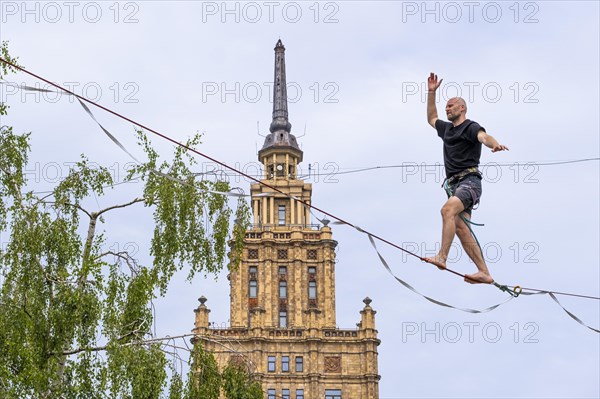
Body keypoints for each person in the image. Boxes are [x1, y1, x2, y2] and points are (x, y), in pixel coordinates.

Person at [424, 72, 509, 284]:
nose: (448, 108)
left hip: (469, 182)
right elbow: (431, 118)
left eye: (451, 105)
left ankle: (442, 256)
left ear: (462, 108)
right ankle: (484, 272)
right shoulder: (446, 129)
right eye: (447, 106)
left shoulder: (470, 126)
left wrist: (494, 144)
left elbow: (484, 137)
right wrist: (431, 93)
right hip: (453, 186)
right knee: (461, 228)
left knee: (447, 210)